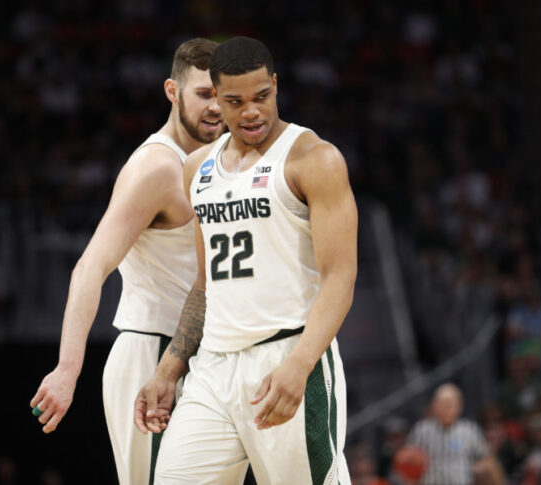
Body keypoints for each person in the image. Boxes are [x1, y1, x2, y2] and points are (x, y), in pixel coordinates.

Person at [135, 36, 357, 485]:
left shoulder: (314, 158)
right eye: (236, 101)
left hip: (286, 355)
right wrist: (168, 370)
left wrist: (300, 364)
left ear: (275, 85)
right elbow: (204, 283)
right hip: (213, 368)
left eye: (262, 97)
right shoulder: (197, 167)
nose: (252, 111)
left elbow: (341, 275)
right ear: (215, 98)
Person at [29, 38, 223, 485]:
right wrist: (67, 369)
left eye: (222, 94)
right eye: (203, 94)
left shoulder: (218, 160)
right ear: (172, 92)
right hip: (152, 354)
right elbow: (91, 266)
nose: (215, 107)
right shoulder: (156, 167)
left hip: (203, 357)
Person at [407, 383, 491, 485]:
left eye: (451, 404)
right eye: (443, 404)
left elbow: (486, 459)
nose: (448, 409)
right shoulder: (421, 430)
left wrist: (477, 468)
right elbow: (408, 463)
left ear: (460, 406)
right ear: (434, 406)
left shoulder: (469, 430)